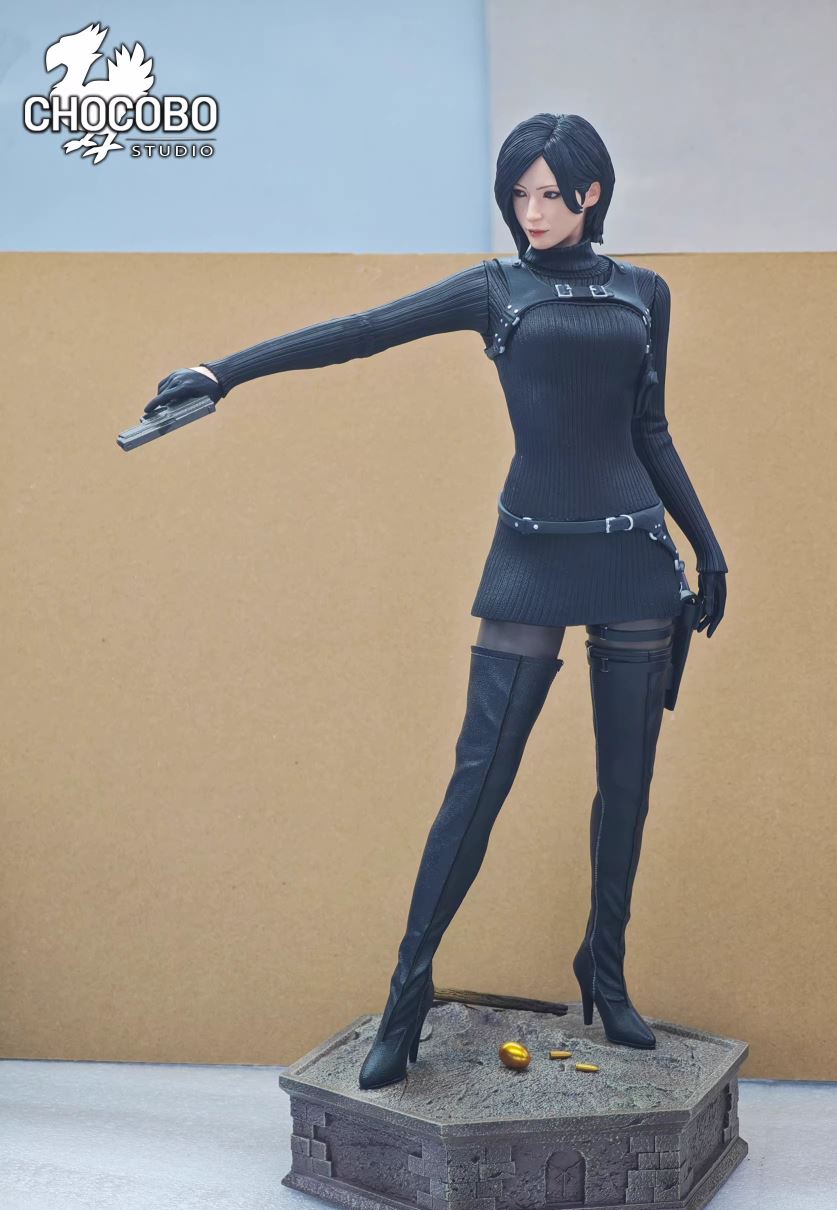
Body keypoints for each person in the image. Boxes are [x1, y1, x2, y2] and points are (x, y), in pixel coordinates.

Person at [145, 112, 728, 1092]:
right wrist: (223, 372)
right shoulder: (494, 289)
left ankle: (605, 970)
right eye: (518, 194)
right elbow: (360, 334)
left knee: (626, 784)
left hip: (635, 554)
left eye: (550, 194)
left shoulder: (644, 292)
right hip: (532, 553)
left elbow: (650, 427)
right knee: (478, 782)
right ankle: (406, 993)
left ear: (592, 193)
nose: (531, 211)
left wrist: (707, 548)